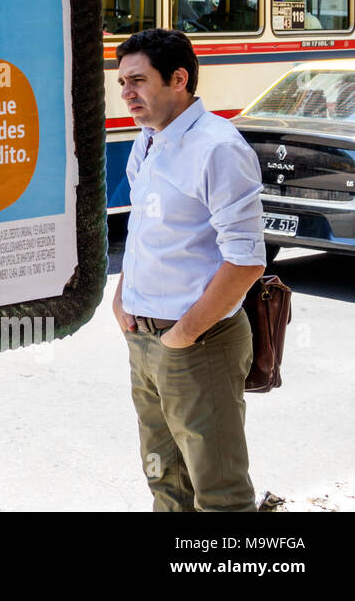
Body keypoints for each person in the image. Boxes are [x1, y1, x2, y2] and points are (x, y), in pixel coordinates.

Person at [113, 28, 265, 512]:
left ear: (178, 79)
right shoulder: (147, 141)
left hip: (198, 343)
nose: (126, 93)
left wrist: (183, 335)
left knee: (219, 493)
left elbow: (246, 259)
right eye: (122, 83)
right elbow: (147, 228)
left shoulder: (218, 147)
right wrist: (122, 297)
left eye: (138, 80)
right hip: (143, 336)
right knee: (165, 480)